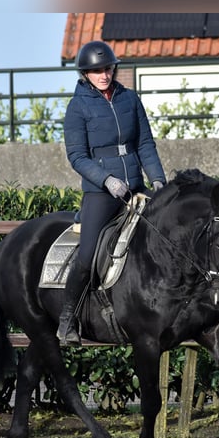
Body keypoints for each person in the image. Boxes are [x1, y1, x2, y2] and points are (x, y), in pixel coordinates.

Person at [57, 40, 167, 345]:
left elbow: (144, 144)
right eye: (96, 70)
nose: (103, 74)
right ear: (85, 73)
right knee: (88, 254)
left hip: (135, 187)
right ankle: (68, 319)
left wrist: (158, 180)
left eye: (107, 68)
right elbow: (77, 156)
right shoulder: (77, 107)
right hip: (101, 193)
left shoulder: (130, 100)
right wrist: (107, 180)